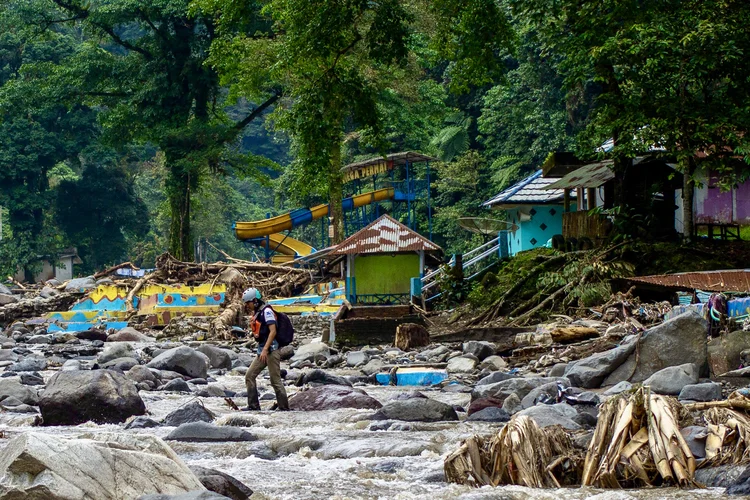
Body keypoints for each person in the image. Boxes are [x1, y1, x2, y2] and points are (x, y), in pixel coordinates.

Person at [242, 287, 289, 411]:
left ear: (255, 301)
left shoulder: (267, 312)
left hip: (271, 351)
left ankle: (284, 408)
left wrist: (265, 349)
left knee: (275, 381)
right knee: (250, 375)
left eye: (248, 303)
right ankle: (253, 406)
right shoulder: (258, 313)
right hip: (262, 350)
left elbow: (273, 332)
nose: (247, 305)